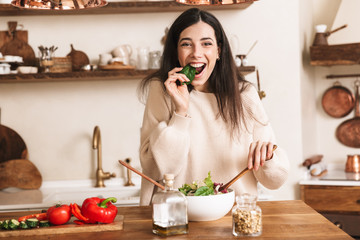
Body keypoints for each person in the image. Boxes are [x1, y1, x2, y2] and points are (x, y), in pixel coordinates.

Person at [138, 8, 289, 205]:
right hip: (177, 216)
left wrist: (267, 159)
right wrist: (181, 112)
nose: (196, 53)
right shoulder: (163, 90)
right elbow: (156, 170)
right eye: (186, 44)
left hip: (235, 217)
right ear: (176, 51)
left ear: (218, 51)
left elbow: (274, 181)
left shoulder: (245, 95)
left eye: (206, 44)